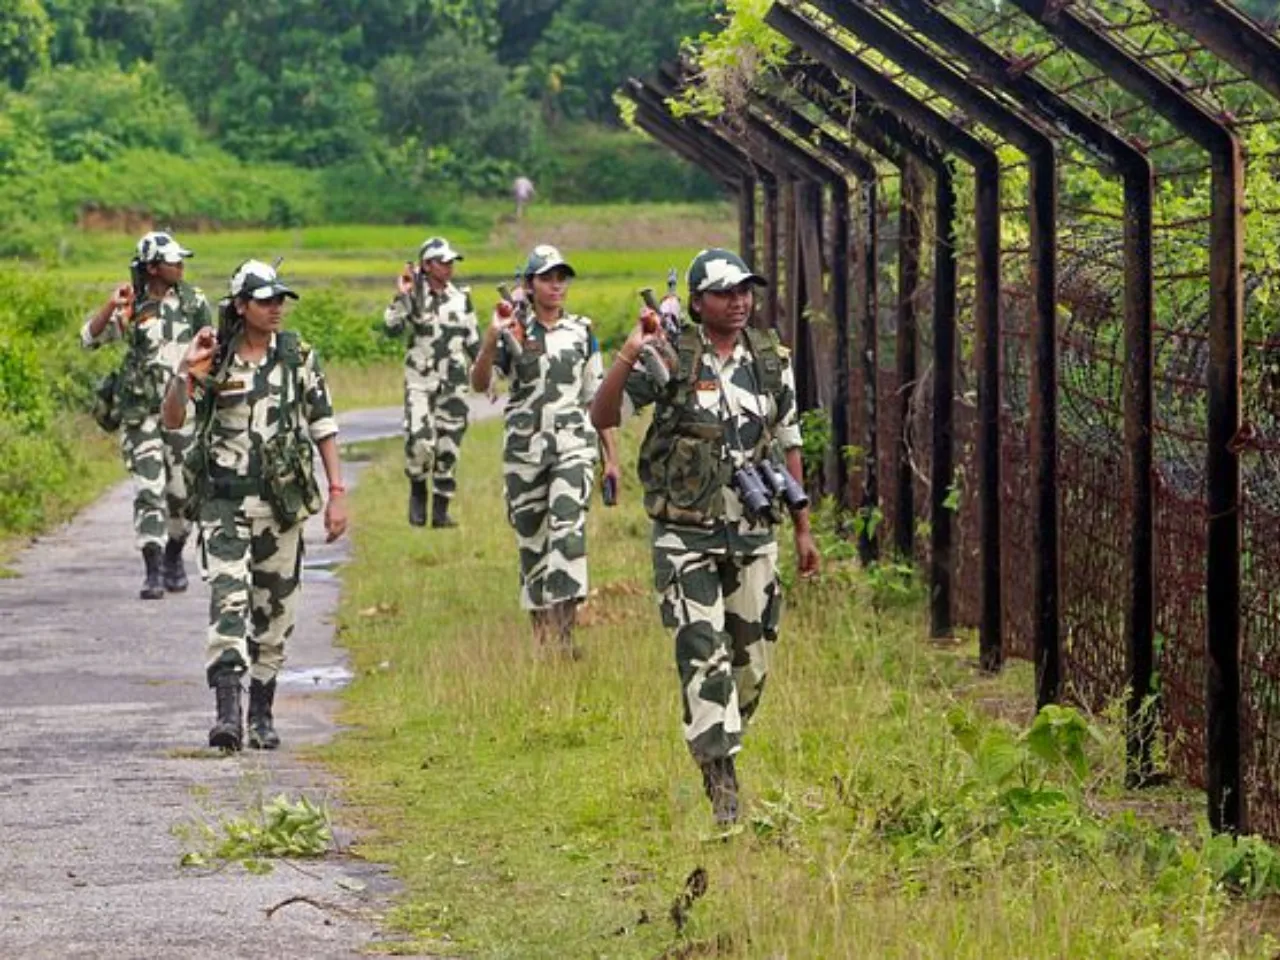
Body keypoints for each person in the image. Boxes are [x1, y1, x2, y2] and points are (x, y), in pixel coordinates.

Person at [590, 247, 821, 825]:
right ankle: (722, 785)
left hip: (752, 534)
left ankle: (715, 731)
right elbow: (603, 414)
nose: (740, 301)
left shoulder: (770, 360)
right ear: (697, 302)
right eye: (725, 292)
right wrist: (631, 351)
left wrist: (802, 530)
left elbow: (790, 442)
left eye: (746, 290)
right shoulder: (671, 355)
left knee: (752, 667)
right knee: (703, 656)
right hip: (684, 536)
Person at [162, 260, 348, 752]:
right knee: (228, 603)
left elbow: (322, 425)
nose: (275, 309)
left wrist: (337, 493)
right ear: (240, 306)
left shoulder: (298, 357)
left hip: (281, 508)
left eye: (279, 300)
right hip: (225, 506)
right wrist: (186, 372)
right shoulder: (215, 358)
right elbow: (174, 417)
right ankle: (228, 717)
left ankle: (262, 713)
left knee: (276, 614)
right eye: (265, 301)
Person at [470, 244, 619, 654]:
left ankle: (566, 634)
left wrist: (611, 459)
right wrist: (490, 339)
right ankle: (541, 636)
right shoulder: (513, 333)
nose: (556, 285)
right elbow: (481, 383)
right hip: (525, 450)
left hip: (573, 444)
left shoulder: (582, 333)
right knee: (532, 540)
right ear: (530, 284)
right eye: (547, 278)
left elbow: (596, 398)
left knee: (568, 533)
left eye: (561, 278)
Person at [82, 231, 211, 599]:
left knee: (181, 492)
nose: (181, 266)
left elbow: (210, 348)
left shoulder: (194, 302)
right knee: (148, 489)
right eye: (173, 261)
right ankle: (152, 569)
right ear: (153, 267)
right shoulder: (133, 305)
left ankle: (174, 554)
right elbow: (89, 339)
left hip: (183, 411)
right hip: (141, 413)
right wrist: (110, 307)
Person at [383, 237, 480, 528]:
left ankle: (440, 510)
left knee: (449, 445)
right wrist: (402, 296)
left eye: (452, 262)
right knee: (420, 439)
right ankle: (417, 489)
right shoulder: (413, 294)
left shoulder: (461, 297)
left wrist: (486, 372)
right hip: (420, 380)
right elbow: (391, 328)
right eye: (443, 262)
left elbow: (473, 339)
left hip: (454, 380)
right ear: (427, 265)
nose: (449, 267)